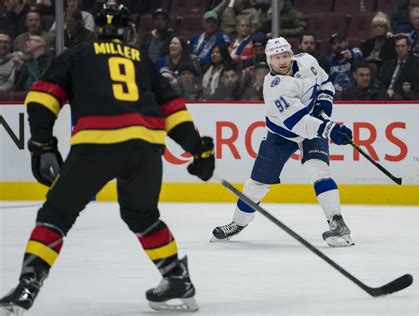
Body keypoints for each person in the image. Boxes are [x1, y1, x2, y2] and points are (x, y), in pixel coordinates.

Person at [0, 3, 215, 315]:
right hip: (145, 149)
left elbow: (41, 98)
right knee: (142, 216)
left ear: (97, 29)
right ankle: (177, 278)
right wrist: (197, 149)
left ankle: (27, 286)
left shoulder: (77, 54)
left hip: (97, 144)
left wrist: (42, 144)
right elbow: (173, 109)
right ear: (127, 30)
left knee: (56, 214)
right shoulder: (141, 59)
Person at [211, 37, 355, 248]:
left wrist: (323, 105)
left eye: (285, 55)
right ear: (269, 62)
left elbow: (325, 83)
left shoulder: (308, 61)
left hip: (312, 125)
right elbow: (297, 122)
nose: (282, 61)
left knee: (319, 170)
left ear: (291, 54)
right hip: (282, 134)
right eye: (276, 58)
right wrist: (328, 128)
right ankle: (237, 223)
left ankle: (338, 223)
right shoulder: (274, 86)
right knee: (256, 183)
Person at [380, 33, 419, 100]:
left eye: (403, 46)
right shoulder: (388, 64)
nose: (400, 49)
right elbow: (382, 82)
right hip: (385, 96)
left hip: (404, 97)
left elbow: (418, 86)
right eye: (397, 46)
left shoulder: (418, 62)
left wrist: (394, 92)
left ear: (409, 47)